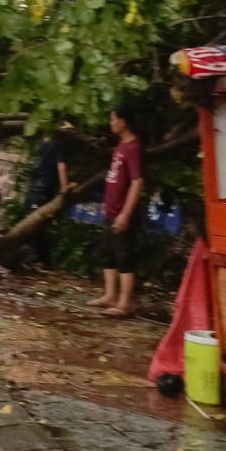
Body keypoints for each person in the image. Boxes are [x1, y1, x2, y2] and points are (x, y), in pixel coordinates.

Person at [90, 106, 144, 316]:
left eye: (113, 119)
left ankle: (124, 303)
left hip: (122, 212)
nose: (110, 123)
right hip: (110, 210)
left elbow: (137, 182)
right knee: (108, 253)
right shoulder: (121, 145)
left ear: (124, 122)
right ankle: (110, 295)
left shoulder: (133, 147)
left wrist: (125, 214)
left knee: (124, 256)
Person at [27, 127, 70, 268]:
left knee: (37, 223)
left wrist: (64, 188)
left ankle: (39, 256)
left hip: (41, 189)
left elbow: (61, 166)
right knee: (38, 223)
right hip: (39, 188)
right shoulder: (48, 144)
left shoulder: (54, 144)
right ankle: (41, 256)